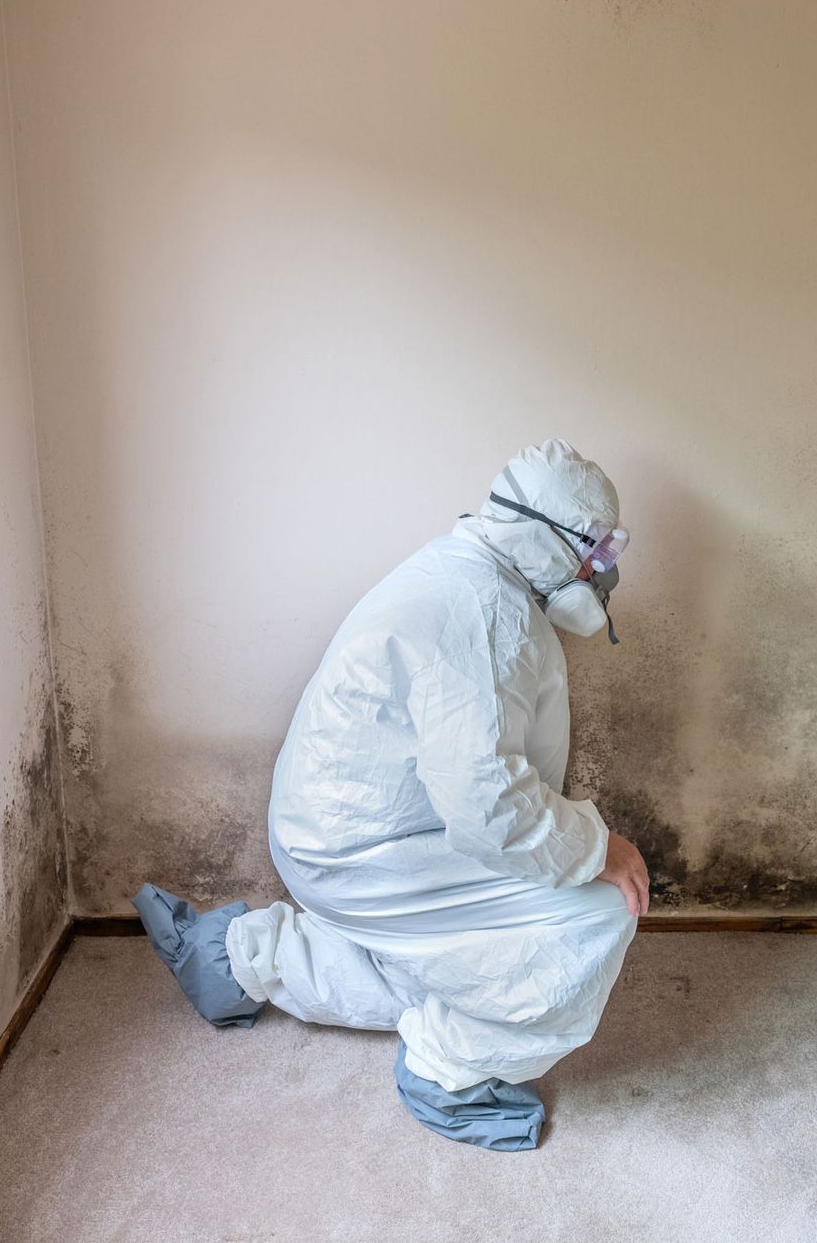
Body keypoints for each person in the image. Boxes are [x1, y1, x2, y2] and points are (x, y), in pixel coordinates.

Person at [132, 439, 649, 1152]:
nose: (602, 569)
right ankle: (450, 1073)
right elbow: (489, 803)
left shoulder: (472, 573)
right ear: (544, 532)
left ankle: (233, 956)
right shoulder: (486, 612)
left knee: (452, 951)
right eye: (595, 548)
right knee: (593, 915)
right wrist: (598, 847)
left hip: (349, 835)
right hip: (366, 848)